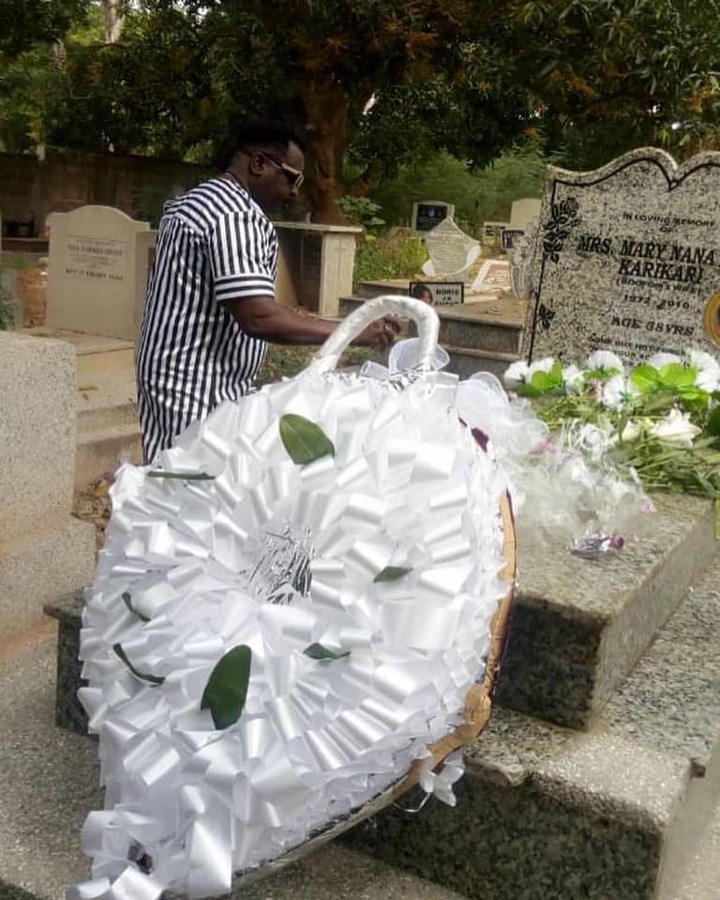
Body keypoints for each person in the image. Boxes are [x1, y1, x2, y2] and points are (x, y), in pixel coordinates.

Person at [136, 120, 399, 463]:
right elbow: (258, 317)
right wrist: (354, 332)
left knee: (170, 484)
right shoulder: (236, 215)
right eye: (292, 178)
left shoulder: (196, 202)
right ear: (259, 163)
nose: (293, 192)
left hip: (171, 377)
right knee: (192, 496)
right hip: (198, 388)